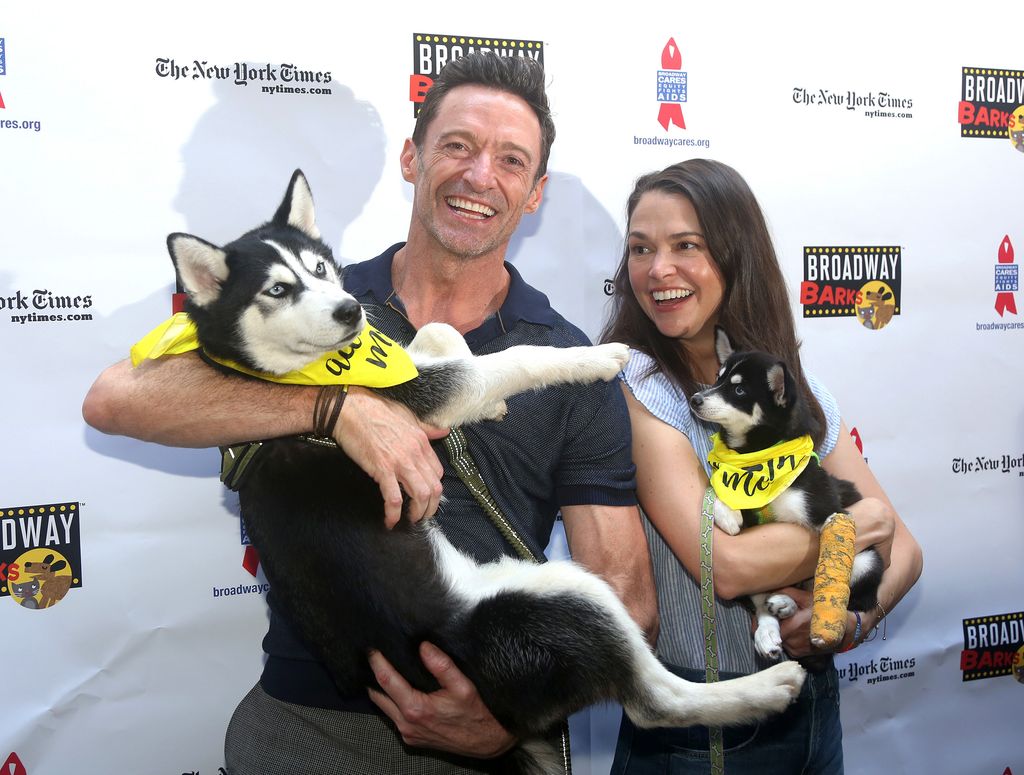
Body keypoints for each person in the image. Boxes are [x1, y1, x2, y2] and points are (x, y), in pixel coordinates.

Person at [82, 53, 657, 774]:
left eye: (511, 160)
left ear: (535, 193)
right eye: (457, 145)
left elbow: (627, 599)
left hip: (489, 736)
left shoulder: (569, 358)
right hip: (307, 724)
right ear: (411, 158)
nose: (481, 176)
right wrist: (332, 407)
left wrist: (511, 717)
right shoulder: (298, 301)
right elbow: (115, 397)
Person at [601, 159, 923, 774]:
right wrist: (855, 531)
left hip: (812, 708)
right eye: (641, 249)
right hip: (703, 720)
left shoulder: (794, 388)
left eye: (685, 246)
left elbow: (905, 549)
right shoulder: (637, 387)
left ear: (735, 254)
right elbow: (728, 565)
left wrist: (849, 620)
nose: (657, 269)